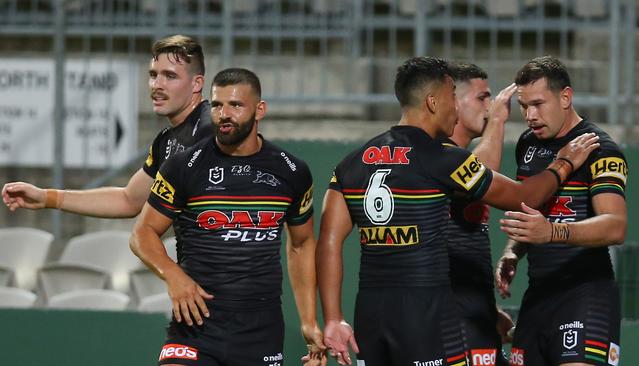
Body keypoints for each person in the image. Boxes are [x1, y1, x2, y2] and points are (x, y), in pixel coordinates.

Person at [317, 56, 599, 366]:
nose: (456, 104)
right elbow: (524, 195)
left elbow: (329, 241)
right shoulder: (444, 160)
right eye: (453, 94)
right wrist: (565, 163)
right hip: (426, 315)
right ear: (433, 101)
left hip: (370, 314)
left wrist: (333, 318)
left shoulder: (350, 164)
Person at [129, 68, 326, 366]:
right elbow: (142, 233)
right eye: (217, 105)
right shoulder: (183, 166)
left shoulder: (292, 172)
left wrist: (309, 321)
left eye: (235, 105)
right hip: (195, 325)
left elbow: (301, 245)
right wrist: (173, 276)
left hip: (260, 329)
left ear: (260, 110)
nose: (224, 114)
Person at [496, 56, 627, 366]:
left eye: (539, 104)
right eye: (524, 106)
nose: (530, 115)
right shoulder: (527, 145)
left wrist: (552, 232)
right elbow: (533, 211)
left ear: (565, 97)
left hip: (586, 295)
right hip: (538, 295)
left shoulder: (599, 148)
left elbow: (616, 226)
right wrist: (513, 251)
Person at [2, 34, 213, 217]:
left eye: (170, 76)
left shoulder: (213, 129)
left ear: (197, 84)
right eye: (153, 75)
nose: (157, 85)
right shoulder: (166, 141)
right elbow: (128, 200)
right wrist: (46, 197)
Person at [447, 62, 516, 366]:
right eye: (482, 98)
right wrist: (499, 119)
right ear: (453, 103)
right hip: (446, 318)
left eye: (491, 99)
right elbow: (479, 177)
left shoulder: (459, 156)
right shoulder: (437, 154)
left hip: (472, 313)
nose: (489, 107)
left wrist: (487, 309)